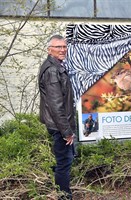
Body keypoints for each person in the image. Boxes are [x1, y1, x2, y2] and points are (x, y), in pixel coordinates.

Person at [38, 35, 76, 199]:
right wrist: (66, 131)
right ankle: (64, 195)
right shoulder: (53, 70)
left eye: (64, 47)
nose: (62, 50)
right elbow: (55, 105)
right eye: (58, 47)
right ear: (49, 50)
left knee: (65, 159)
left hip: (59, 124)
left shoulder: (55, 66)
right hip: (59, 126)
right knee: (64, 162)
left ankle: (61, 189)